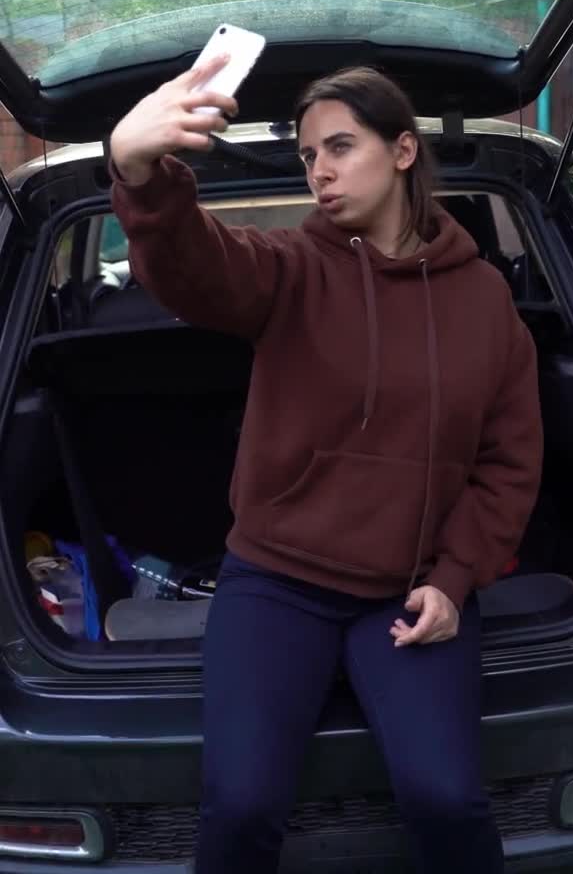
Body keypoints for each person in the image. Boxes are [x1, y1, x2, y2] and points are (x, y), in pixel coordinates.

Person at [110, 54, 543, 874]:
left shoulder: (484, 299)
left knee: (448, 800)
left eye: (341, 146)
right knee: (239, 808)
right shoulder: (291, 268)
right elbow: (196, 269)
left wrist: (454, 582)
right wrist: (141, 175)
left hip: (409, 591)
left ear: (404, 151)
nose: (320, 171)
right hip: (276, 584)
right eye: (309, 156)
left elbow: (509, 460)